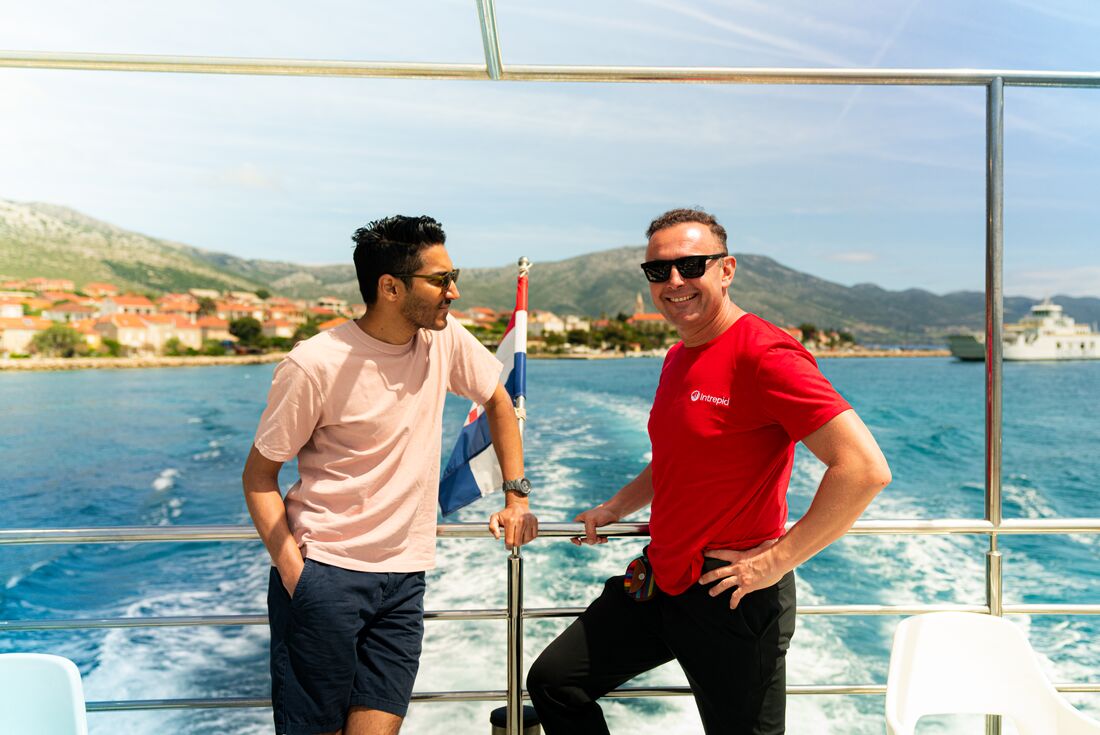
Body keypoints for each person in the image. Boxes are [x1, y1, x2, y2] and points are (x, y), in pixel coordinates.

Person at [527, 208, 891, 734]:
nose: (674, 282)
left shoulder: (766, 354)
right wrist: (615, 508)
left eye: (691, 265)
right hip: (660, 579)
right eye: (659, 271)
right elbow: (679, 459)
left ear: (726, 269)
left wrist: (775, 562)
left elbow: (863, 469)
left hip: (732, 594)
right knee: (555, 681)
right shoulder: (678, 355)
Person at [243, 215, 538, 735]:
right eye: (441, 279)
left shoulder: (442, 340)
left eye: (454, 275)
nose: (455, 290)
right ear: (390, 287)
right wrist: (298, 575)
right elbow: (259, 477)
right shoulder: (314, 364)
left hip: (404, 580)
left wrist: (516, 496)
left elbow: (497, 398)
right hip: (326, 576)